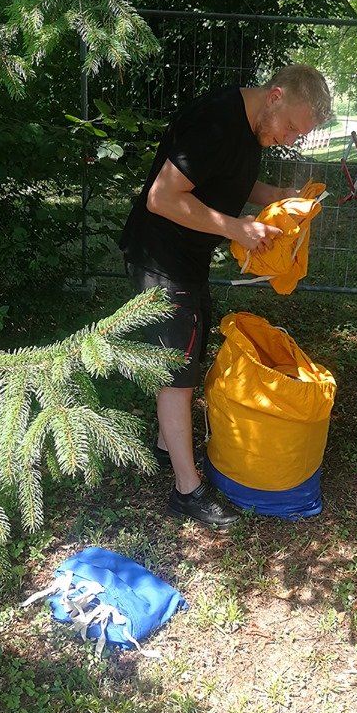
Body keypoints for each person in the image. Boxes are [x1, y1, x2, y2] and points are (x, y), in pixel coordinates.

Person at [119, 64, 331, 526]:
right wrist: (236, 228)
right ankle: (186, 491)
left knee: (188, 356)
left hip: (187, 257)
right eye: (291, 127)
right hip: (160, 255)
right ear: (275, 95)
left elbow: (229, 177)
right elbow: (161, 197)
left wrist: (278, 195)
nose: (290, 138)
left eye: (299, 134)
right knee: (178, 373)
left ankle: (166, 446)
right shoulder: (216, 120)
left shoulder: (253, 127)